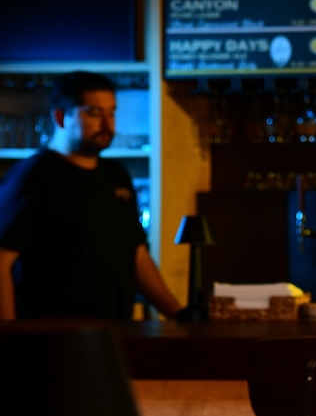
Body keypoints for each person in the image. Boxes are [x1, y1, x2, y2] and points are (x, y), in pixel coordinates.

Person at [0, 70, 182, 321]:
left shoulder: (116, 175)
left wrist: (178, 314)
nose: (108, 125)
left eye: (112, 113)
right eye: (94, 113)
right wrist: (10, 336)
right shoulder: (33, 177)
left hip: (115, 333)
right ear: (61, 117)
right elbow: (2, 261)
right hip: (53, 336)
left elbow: (136, 254)